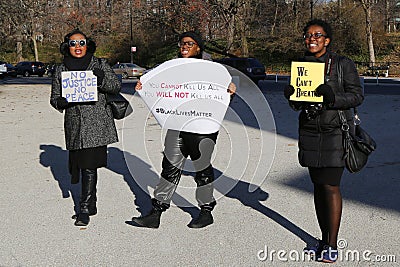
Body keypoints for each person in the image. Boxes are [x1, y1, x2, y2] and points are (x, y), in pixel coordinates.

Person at [132, 31, 236, 229]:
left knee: (202, 169)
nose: (184, 46)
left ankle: (206, 211)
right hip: (176, 127)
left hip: (202, 129)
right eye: (182, 43)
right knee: (169, 168)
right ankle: (156, 211)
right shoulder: (172, 68)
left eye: (189, 43)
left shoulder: (213, 70)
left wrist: (229, 92)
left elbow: (221, 101)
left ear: (199, 47)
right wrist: (144, 87)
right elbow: (157, 87)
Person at [283, 19, 364, 263]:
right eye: (307, 35)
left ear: (327, 40)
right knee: (318, 187)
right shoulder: (302, 65)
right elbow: (301, 101)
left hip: (334, 132)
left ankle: (331, 244)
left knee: (330, 186)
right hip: (309, 131)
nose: (312, 39)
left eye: (317, 35)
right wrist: (293, 99)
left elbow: (357, 95)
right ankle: (322, 238)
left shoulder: (342, 64)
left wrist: (332, 97)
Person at [50, 29, 121, 226]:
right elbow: (54, 98)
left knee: (89, 166)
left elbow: (115, 86)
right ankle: (91, 202)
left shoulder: (99, 64)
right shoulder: (60, 69)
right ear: (67, 46)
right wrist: (61, 102)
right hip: (75, 123)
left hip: (96, 123)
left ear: (87, 44)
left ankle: (84, 207)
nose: (77, 47)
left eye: (81, 42)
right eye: (73, 43)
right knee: (79, 165)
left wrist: (102, 80)